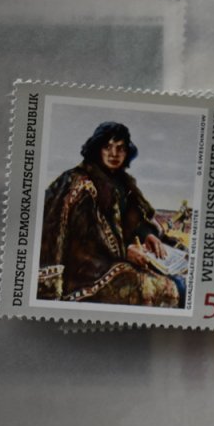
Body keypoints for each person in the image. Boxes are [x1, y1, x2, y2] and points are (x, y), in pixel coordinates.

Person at [38, 121, 183, 307]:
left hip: (117, 259)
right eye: (107, 147)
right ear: (97, 149)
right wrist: (125, 252)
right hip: (86, 272)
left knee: (181, 265)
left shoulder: (123, 183)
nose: (114, 154)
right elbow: (84, 243)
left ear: (127, 152)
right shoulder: (80, 183)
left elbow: (133, 219)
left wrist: (148, 235)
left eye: (120, 148)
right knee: (171, 288)